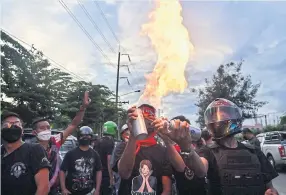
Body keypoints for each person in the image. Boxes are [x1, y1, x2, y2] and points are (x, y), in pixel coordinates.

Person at [197, 98, 279, 195]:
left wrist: (272, 193)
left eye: (223, 115)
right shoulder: (207, 151)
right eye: (215, 117)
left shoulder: (254, 151)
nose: (219, 120)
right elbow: (200, 169)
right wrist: (187, 149)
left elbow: (271, 188)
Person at [32, 91, 90, 194]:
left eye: (48, 127)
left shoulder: (55, 141)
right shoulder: (30, 148)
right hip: (35, 189)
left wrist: (83, 108)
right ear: (34, 132)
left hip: (54, 189)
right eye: (42, 128)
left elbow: (73, 125)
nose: (46, 130)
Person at [113, 104, 173, 195]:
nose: (148, 121)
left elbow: (167, 190)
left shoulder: (163, 151)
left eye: (151, 117)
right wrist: (133, 134)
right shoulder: (124, 146)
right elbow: (124, 173)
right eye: (144, 117)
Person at [154, 115, 207, 195]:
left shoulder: (202, 149)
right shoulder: (171, 154)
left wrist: (187, 147)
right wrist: (166, 140)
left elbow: (202, 171)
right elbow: (182, 169)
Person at [1, 111, 51, 195]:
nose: (12, 126)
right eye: (7, 124)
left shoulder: (34, 149)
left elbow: (43, 188)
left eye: (17, 124)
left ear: (22, 131)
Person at [60, 126, 102, 195]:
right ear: (78, 137)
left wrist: (97, 190)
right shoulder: (70, 153)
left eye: (87, 135)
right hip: (72, 192)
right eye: (82, 135)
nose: (85, 137)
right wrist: (63, 189)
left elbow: (99, 171)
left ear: (91, 137)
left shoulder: (95, 154)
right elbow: (62, 171)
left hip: (89, 192)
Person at [98, 121, 117, 195]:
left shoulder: (98, 141)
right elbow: (109, 160)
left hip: (97, 173)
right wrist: (111, 177)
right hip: (106, 175)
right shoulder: (110, 142)